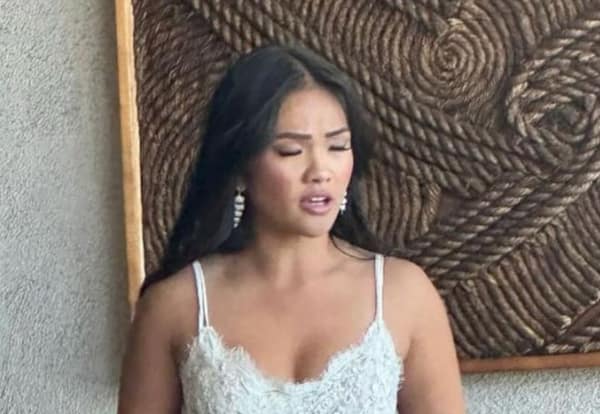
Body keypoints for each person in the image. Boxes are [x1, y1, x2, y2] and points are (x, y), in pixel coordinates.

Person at [117, 44, 465, 413]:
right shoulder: (176, 305)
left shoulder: (403, 294)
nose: (320, 171)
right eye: (290, 151)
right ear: (239, 167)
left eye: (337, 146)